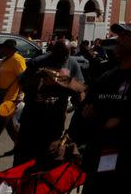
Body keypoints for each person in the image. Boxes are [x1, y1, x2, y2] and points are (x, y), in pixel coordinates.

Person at [77, 21, 131, 194]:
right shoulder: (108, 77)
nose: (119, 40)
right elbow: (84, 113)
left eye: (125, 36)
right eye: (119, 35)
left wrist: (99, 118)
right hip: (98, 162)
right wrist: (108, 120)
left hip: (129, 166)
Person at [14, 38, 85, 166]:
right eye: (59, 53)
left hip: (55, 119)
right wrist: (37, 78)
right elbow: (22, 83)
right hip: (32, 118)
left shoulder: (72, 64)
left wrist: (63, 81)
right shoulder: (38, 62)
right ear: (52, 51)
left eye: (66, 54)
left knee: (49, 156)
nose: (62, 57)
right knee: (24, 156)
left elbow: (80, 89)